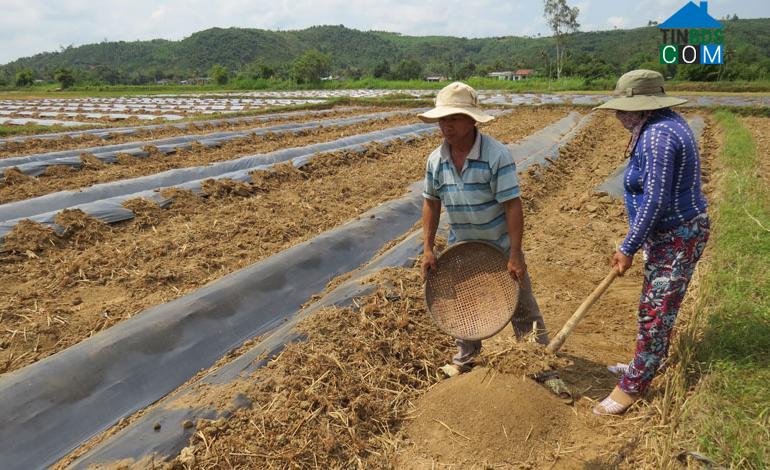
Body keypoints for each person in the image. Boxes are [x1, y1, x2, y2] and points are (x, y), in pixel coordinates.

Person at [418, 82, 569, 400]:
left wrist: (515, 254)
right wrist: (428, 248)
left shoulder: (495, 155)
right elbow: (431, 203)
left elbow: (512, 205)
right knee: (461, 304)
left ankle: (542, 367)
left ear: (472, 120)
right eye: (443, 120)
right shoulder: (436, 160)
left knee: (523, 307)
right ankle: (466, 359)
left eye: (454, 119)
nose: (447, 126)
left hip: (499, 246)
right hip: (461, 246)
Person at [592, 70, 710, 415]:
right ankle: (643, 364)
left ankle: (633, 386)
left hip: (678, 235)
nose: (616, 116)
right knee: (654, 305)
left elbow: (656, 199)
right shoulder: (663, 124)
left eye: (622, 109)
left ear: (641, 108)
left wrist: (628, 246)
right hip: (669, 234)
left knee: (655, 311)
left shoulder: (658, 136)